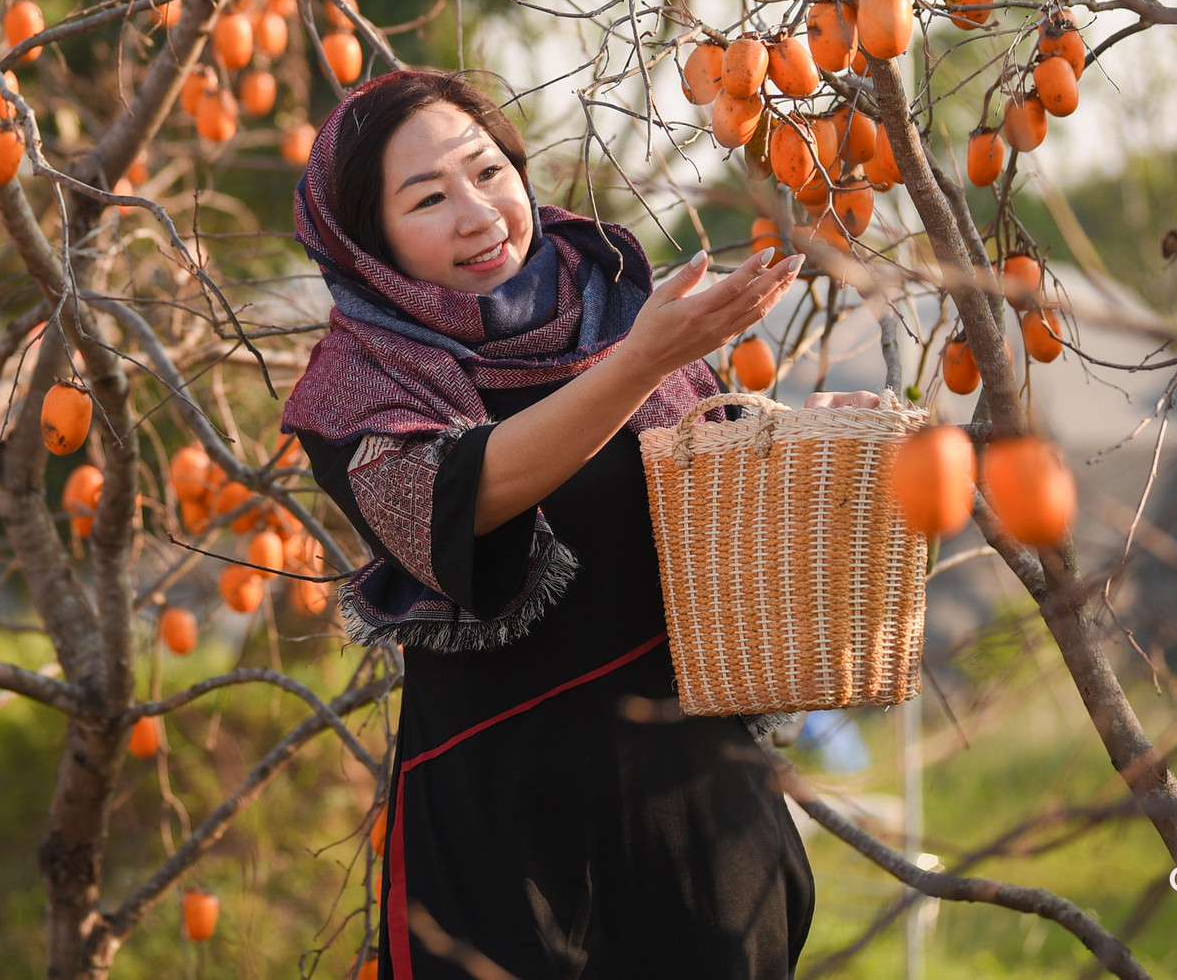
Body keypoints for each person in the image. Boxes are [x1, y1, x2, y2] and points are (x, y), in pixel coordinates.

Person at [284, 69, 866, 978]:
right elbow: (457, 500)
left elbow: (713, 503)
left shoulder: (616, 302)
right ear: (369, 240)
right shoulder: (357, 386)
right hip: (508, 850)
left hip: (699, 818)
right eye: (429, 197)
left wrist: (813, 442)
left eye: (488, 171)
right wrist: (638, 365)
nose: (478, 213)